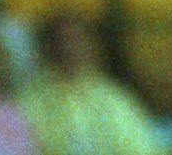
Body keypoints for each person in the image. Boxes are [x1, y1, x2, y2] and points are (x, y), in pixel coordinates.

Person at [18, 14, 159, 155]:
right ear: (48, 48)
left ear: (91, 46)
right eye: (61, 41)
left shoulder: (114, 99)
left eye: (76, 41)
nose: (69, 49)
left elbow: (142, 148)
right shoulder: (29, 100)